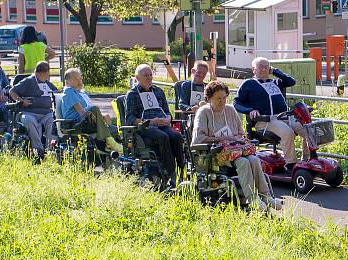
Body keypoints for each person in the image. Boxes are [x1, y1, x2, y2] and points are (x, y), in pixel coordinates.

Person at [193, 81, 283, 211]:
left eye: (224, 98)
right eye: (218, 99)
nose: (222, 101)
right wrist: (224, 139)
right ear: (209, 98)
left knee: (254, 159)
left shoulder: (230, 110)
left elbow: (241, 133)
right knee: (243, 162)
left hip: (236, 151)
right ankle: (252, 199)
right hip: (215, 154)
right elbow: (198, 139)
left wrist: (236, 140)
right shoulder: (203, 113)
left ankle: (265, 196)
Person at [233, 57, 306, 168]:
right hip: (265, 120)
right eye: (260, 66)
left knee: (307, 130)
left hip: (284, 117)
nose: (264, 69)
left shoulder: (275, 82)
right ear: (253, 69)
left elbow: (291, 81)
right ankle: (291, 164)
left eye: (266, 66)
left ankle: (307, 159)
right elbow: (236, 102)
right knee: (288, 132)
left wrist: (275, 71)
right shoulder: (248, 83)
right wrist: (250, 110)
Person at [126, 64, 185, 183]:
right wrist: (151, 121)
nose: (149, 77)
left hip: (162, 123)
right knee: (162, 137)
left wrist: (168, 119)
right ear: (137, 78)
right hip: (146, 126)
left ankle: (181, 170)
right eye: (145, 75)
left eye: (151, 75)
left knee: (176, 136)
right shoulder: (132, 94)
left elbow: (168, 112)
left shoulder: (158, 91)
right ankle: (170, 172)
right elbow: (130, 118)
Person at [60, 67, 123, 153]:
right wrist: (98, 116)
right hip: (75, 124)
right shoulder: (69, 92)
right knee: (94, 109)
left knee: (112, 125)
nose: (80, 82)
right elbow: (81, 112)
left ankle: (116, 145)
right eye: (76, 79)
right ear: (67, 82)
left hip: (86, 121)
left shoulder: (80, 92)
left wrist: (101, 116)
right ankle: (109, 142)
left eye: (80, 79)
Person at [9, 61, 58, 161]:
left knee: (53, 121)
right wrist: (21, 101)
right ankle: (38, 149)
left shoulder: (47, 83)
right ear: (45, 72)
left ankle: (50, 150)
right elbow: (12, 91)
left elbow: (57, 93)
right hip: (29, 112)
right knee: (29, 121)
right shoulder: (29, 81)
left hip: (46, 113)